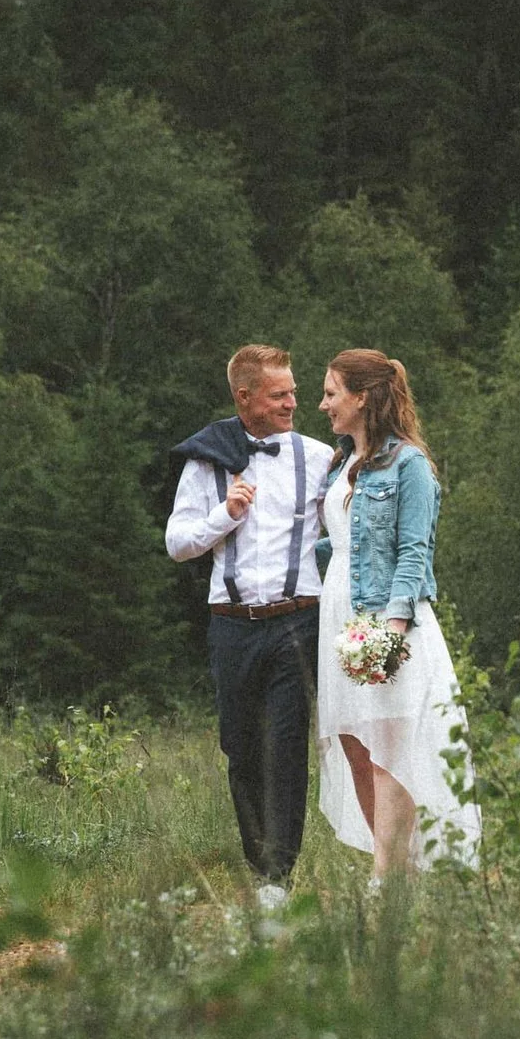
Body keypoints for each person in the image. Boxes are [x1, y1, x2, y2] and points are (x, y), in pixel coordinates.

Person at [166, 346, 331, 901]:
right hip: (231, 625)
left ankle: (276, 879)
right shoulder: (206, 461)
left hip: (296, 623)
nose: (293, 402)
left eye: (293, 391)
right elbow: (177, 545)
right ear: (245, 398)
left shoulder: (320, 457)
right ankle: (258, 859)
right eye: (279, 393)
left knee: (286, 748)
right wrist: (226, 515)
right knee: (240, 747)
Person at [313, 350, 480, 879]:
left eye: (332, 393)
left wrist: (393, 628)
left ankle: (384, 881)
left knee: (388, 745)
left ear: (362, 398)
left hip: (385, 619)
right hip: (337, 615)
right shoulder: (340, 464)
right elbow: (335, 545)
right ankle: (400, 870)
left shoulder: (409, 465)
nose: (323, 405)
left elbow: (414, 552)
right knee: (354, 743)